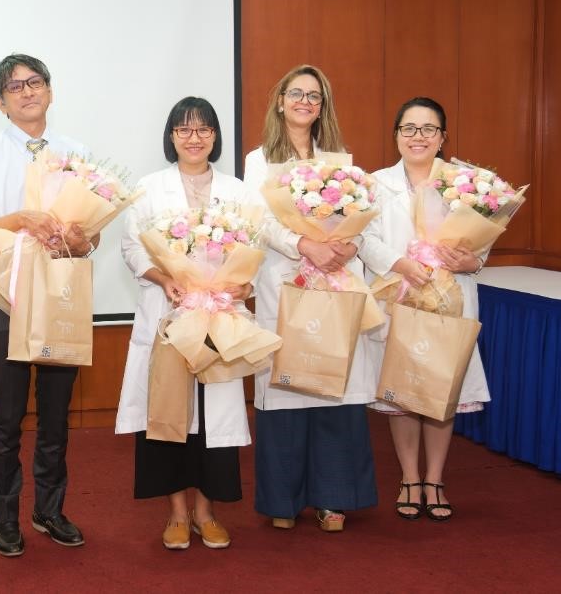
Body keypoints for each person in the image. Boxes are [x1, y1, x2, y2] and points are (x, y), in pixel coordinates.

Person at [0, 53, 95, 557]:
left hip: (60, 294)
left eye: (34, 82)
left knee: (56, 415)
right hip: (8, 297)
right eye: (14, 87)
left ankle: (50, 510)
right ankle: (5, 517)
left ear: (50, 91)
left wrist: (82, 237)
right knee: (8, 415)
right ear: (1, 102)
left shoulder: (75, 151)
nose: (27, 92)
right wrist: (19, 219)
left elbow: (91, 235)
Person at [242, 64, 377, 532]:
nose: (305, 102)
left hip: (335, 279)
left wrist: (347, 246)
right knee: (286, 387)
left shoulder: (342, 161)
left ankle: (331, 497)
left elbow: (362, 219)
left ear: (323, 108)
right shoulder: (257, 160)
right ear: (280, 101)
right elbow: (259, 221)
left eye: (314, 97)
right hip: (285, 280)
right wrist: (304, 246)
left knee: (331, 385)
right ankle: (284, 498)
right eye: (296, 94)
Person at [116, 97, 253, 550]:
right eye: (184, 129)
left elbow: (254, 248)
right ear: (171, 136)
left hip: (218, 317)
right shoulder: (149, 188)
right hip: (169, 315)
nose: (194, 138)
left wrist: (238, 285)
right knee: (170, 414)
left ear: (215, 136)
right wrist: (165, 277)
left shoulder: (238, 191)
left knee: (215, 418)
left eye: (203, 129)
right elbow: (133, 248)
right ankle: (177, 513)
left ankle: (206, 512)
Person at [359, 97, 489, 522]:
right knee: (403, 390)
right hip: (400, 295)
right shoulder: (375, 184)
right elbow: (365, 239)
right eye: (409, 128)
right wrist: (402, 265)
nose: (418, 137)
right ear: (396, 135)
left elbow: (481, 243)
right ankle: (409, 478)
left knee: (440, 393)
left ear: (442, 137)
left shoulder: (465, 184)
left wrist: (471, 262)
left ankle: (435, 479)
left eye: (428, 129)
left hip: (449, 302)